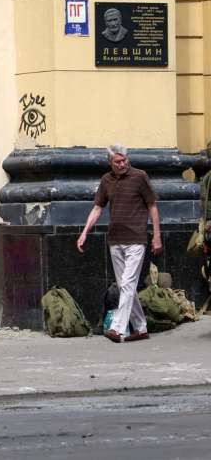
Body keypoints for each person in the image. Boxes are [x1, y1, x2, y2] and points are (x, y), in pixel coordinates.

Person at [77, 144, 162, 343]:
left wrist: (156, 236)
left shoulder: (140, 176)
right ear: (110, 162)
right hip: (115, 240)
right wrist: (84, 233)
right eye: (118, 161)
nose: (123, 164)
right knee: (126, 285)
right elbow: (97, 208)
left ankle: (117, 328)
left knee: (128, 283)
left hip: (136, 239)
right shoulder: (106, 181)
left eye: (124, 160)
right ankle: (140, 328)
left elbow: (152, 206)